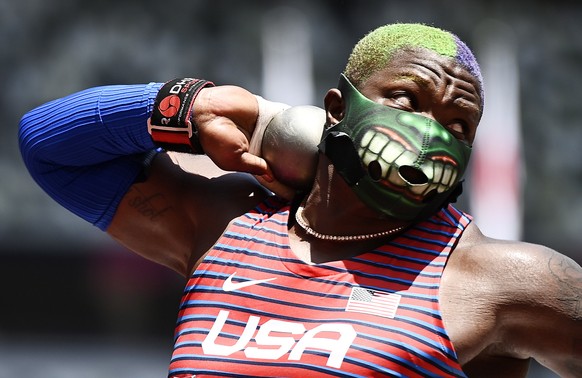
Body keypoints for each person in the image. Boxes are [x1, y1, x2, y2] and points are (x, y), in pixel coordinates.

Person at [18, 22, 582, 377]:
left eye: (460, 124)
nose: (435, 134)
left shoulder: (507, 281)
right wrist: (201, 110)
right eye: (407, 100)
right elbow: (49, 147)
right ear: (336, 108)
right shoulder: (227, 223)